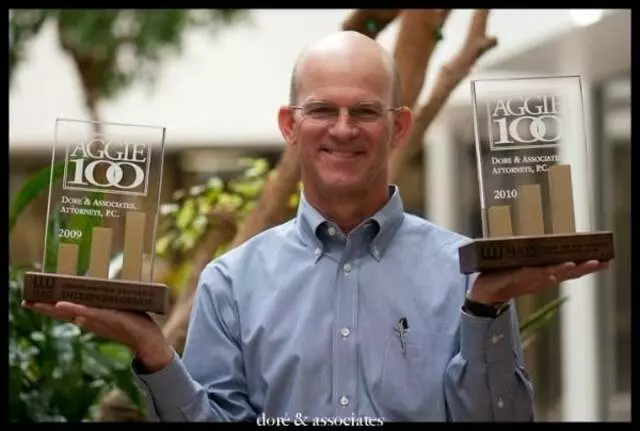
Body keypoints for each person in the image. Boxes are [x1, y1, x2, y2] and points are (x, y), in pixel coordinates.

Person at [23, 31, 608, 423]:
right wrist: (153, 350)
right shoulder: (231, 283)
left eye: (365, 111)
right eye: (323, 109)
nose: (344, 128)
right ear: (290, 125)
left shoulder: (464, 275)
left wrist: (485, 308)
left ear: (400, 126)